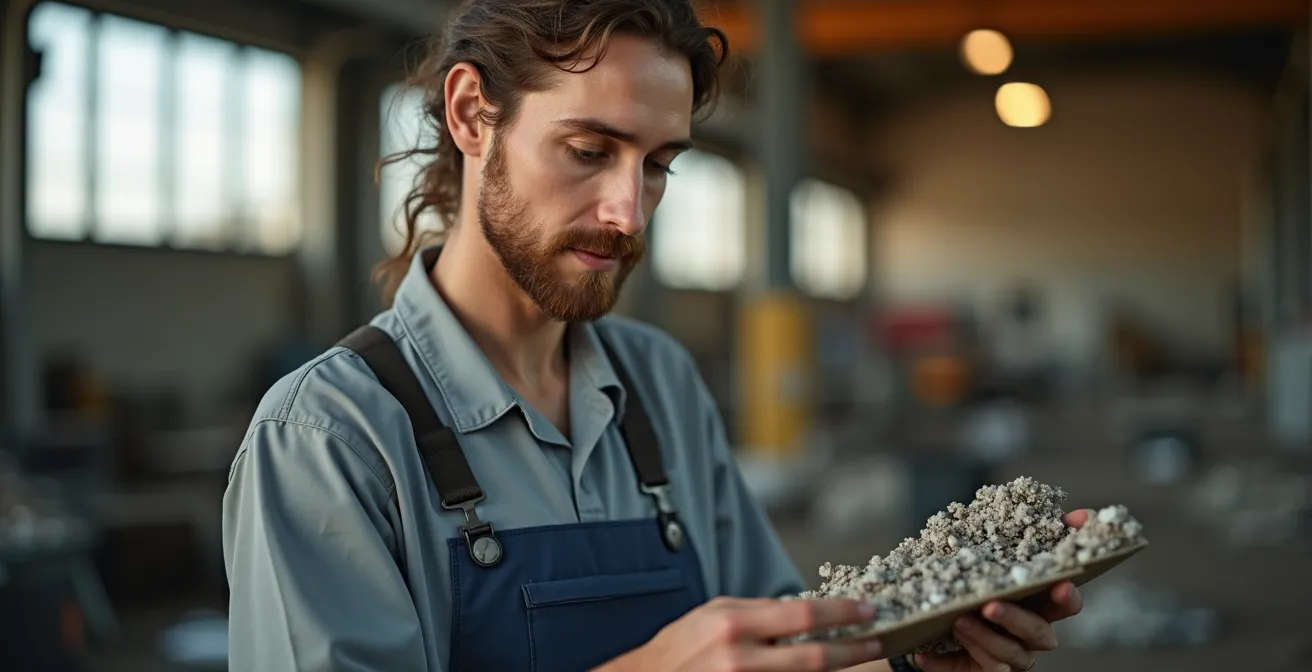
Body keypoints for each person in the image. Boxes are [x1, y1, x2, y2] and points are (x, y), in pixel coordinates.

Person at [221, 1, 1088, 670]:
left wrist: (910, 656)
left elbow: (774, 655)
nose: (629, 213)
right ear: (472, 114)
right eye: (589, 149)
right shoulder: (329, 439)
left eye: (660, 164)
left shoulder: (659, 385)